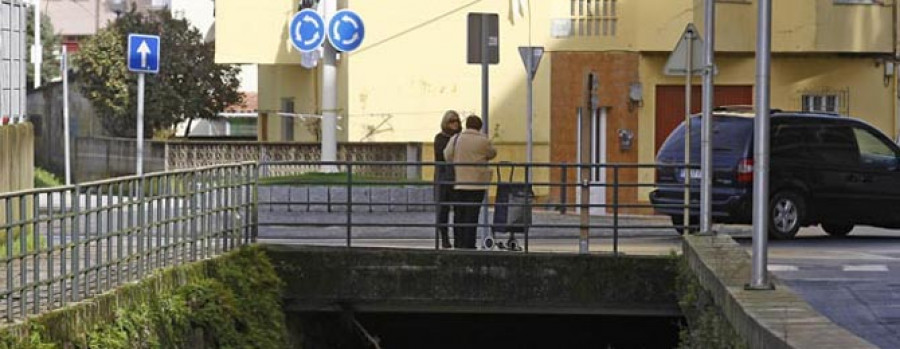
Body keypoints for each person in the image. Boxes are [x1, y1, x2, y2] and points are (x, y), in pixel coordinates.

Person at [444, 115, 497, 249]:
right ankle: (469, 244)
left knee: (459, 215)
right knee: (472, 216)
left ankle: (459, 243)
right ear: (479, 126)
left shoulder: (456, 139)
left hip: (459, 183)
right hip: (477, 185)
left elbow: (447, 155)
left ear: (466, 125)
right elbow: (492, 154)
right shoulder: (484, 140)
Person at [434, 111, 461, 249]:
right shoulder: (440, 138)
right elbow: (441, 156)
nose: (455, 123)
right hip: (444, 177)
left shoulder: (461, 138)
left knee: (459, 210)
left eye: (456, 121)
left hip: (457, 177)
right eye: (451, 121)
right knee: (443, 210)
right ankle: (444, 238)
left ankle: (458, 239)